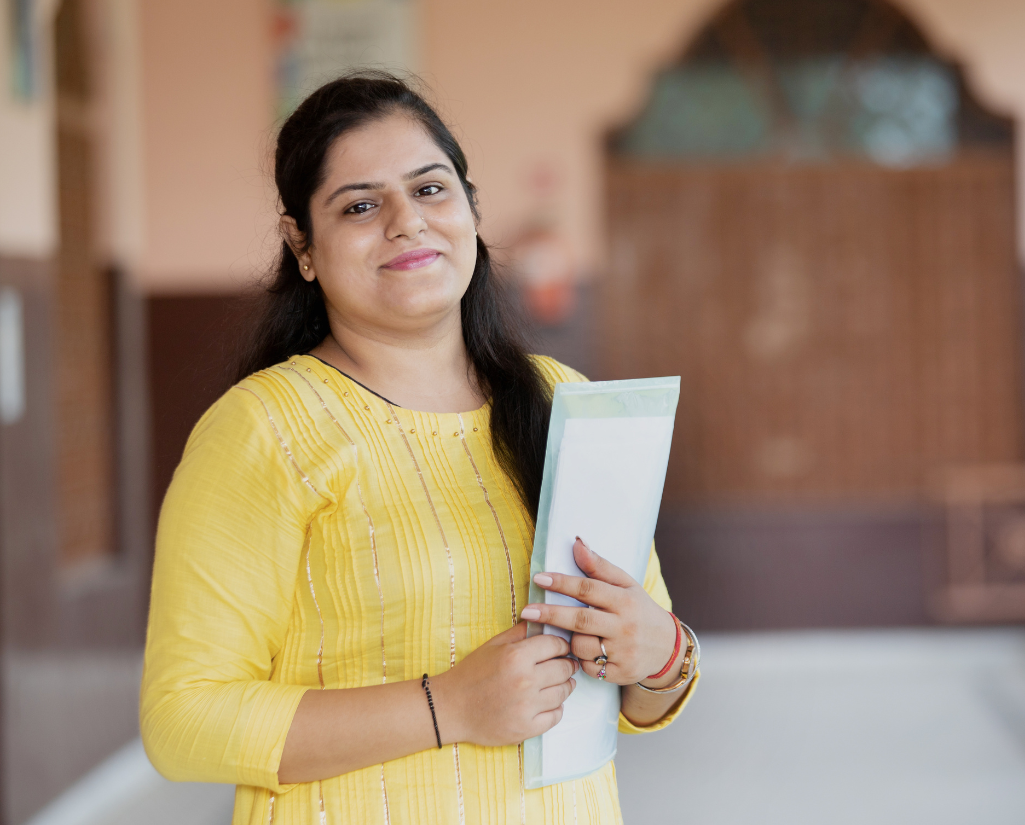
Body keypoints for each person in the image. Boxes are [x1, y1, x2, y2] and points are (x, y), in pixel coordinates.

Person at [139, 72, 699, 825]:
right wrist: (448, 707)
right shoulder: (263, 429)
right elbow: (184, 721)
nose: (407, 222)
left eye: (431, 189)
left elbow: (639, 679)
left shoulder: (565, 401)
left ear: (471, 207)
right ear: (301, 244)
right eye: (361, 205)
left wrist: (662, 653)